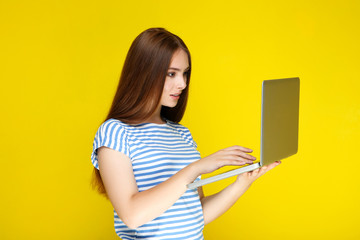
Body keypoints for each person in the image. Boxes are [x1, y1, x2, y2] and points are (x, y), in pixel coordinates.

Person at [90, 28, 280, 240]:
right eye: (172, 73)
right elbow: (132, 215)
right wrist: (195, 168)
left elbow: (196, 214)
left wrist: (242, 183)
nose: (182, 84)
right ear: (144, 73)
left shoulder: (182, 134)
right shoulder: (115, 132)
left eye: (185, 73)